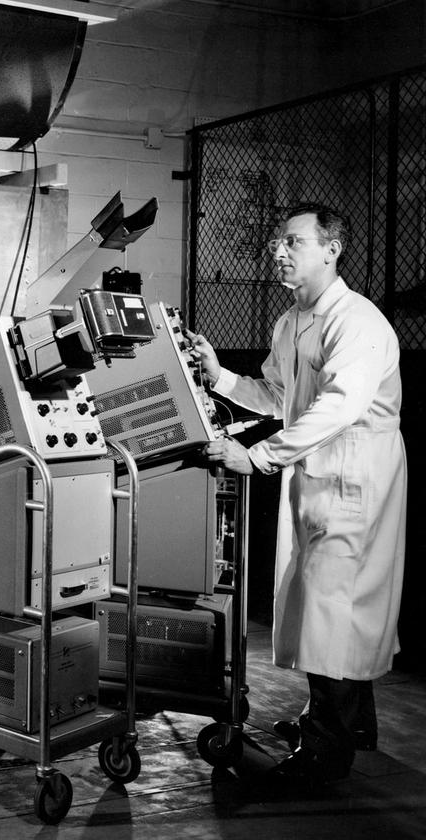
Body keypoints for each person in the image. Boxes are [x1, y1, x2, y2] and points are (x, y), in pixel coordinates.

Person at [186, 202, 407, 790]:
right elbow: (276, 395)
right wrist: (219, 376)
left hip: (354, 475)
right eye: (278, 243)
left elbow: (337, 408)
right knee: (329, 606)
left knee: (335, 610)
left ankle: (326, 754)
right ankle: (351, 724)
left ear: (332, 250)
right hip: (317, 474)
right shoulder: (292, 321)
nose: (279, 251)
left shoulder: (357, 321)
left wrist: (257, 456)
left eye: (294, 241)